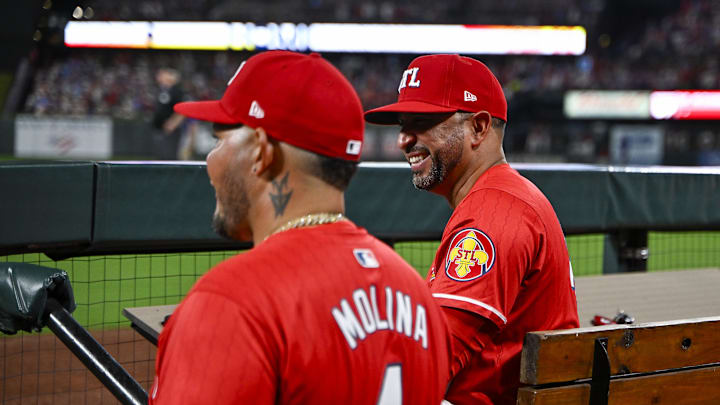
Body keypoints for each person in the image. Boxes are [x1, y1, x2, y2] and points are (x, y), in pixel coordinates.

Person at [150, 51, 451, 404]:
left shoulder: (232, 303)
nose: (211, 159)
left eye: (220, 139)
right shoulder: (416, 298)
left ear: (262, 151)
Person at [364, 54, 579, 405]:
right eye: (403, 123)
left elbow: (428, 362)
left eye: (422, 122)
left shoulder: (494, 212)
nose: (404, 139)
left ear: (478, 127)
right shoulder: (508, 198)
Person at [152, 68, 187, 159]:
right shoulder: (162, 90)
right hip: (160, 129)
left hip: (170, 130)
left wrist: (173, 123)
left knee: (170, 156)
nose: (160, 77)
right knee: (161, 156)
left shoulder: (176, 91)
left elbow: (183, 109)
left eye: (163, 74)